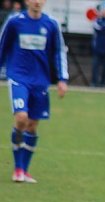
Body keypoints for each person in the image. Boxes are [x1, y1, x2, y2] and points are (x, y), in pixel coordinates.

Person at [0, 0, 68, 183]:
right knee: (21, 118)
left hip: (40, 81)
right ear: (27, 1)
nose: (37, 1)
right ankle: (18, 168)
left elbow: (58, 52)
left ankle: (25, 170)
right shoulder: (15, 21)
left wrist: (62, 79)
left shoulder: (51, 24)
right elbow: (2, 46)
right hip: (18, 77)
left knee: (32, 125)